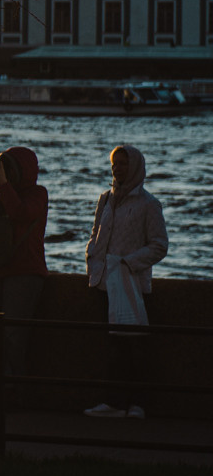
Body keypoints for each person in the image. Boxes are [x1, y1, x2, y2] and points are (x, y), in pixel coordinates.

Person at [84, 145, 167, 419]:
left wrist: (128, 263)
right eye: (114, 163)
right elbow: (96, 237)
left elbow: (159, 245)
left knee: (136, 348)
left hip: (134, 286)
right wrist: (93, 263)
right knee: (113, 348)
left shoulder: (148, 204)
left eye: (122, 163)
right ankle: (114, 402)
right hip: (105, 283)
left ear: (135, 168)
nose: (117, 168)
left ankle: (138, 404)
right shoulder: (105, 199)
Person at [0, 146, 48, 407]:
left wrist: (4, 185)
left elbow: (21, 214)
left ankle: (14, 391)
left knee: (15, 335)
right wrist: (0, 186)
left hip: (24, 270)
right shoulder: (2, 192)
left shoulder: (38, 194)